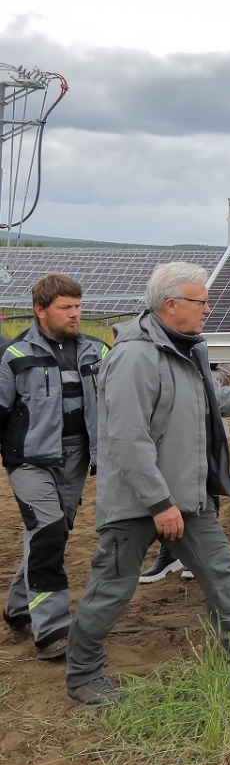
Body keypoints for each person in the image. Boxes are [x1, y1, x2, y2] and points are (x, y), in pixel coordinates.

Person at [65, 262, 230, 706]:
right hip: (141, 502)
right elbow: (126, 438)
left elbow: (208, 399)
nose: (209, 310)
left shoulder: (184, 349)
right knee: (112, 588)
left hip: (188, 497)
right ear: (171, 304)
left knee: (222, 573)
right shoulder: (135, 357)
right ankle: (83, 675)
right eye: (201, 301)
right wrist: (159, 503)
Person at [0, 273, 109, 661]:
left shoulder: (98, 352)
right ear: (40, 311)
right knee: (46, 532)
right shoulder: (13, 356)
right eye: (66, 308)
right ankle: (52, 630)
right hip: (29, 461)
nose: (75, 314)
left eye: (78, 306)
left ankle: (17, 608)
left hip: (77, 457)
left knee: (52, 533)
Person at [138, 362, 230, 583]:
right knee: (168, 490)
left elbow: (226, 375)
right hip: (167, 433)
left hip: (205, 430)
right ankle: (170, 555)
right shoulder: (153, 339)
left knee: (205, 490)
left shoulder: (205, 338)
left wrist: (191, 383)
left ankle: (199, 556)